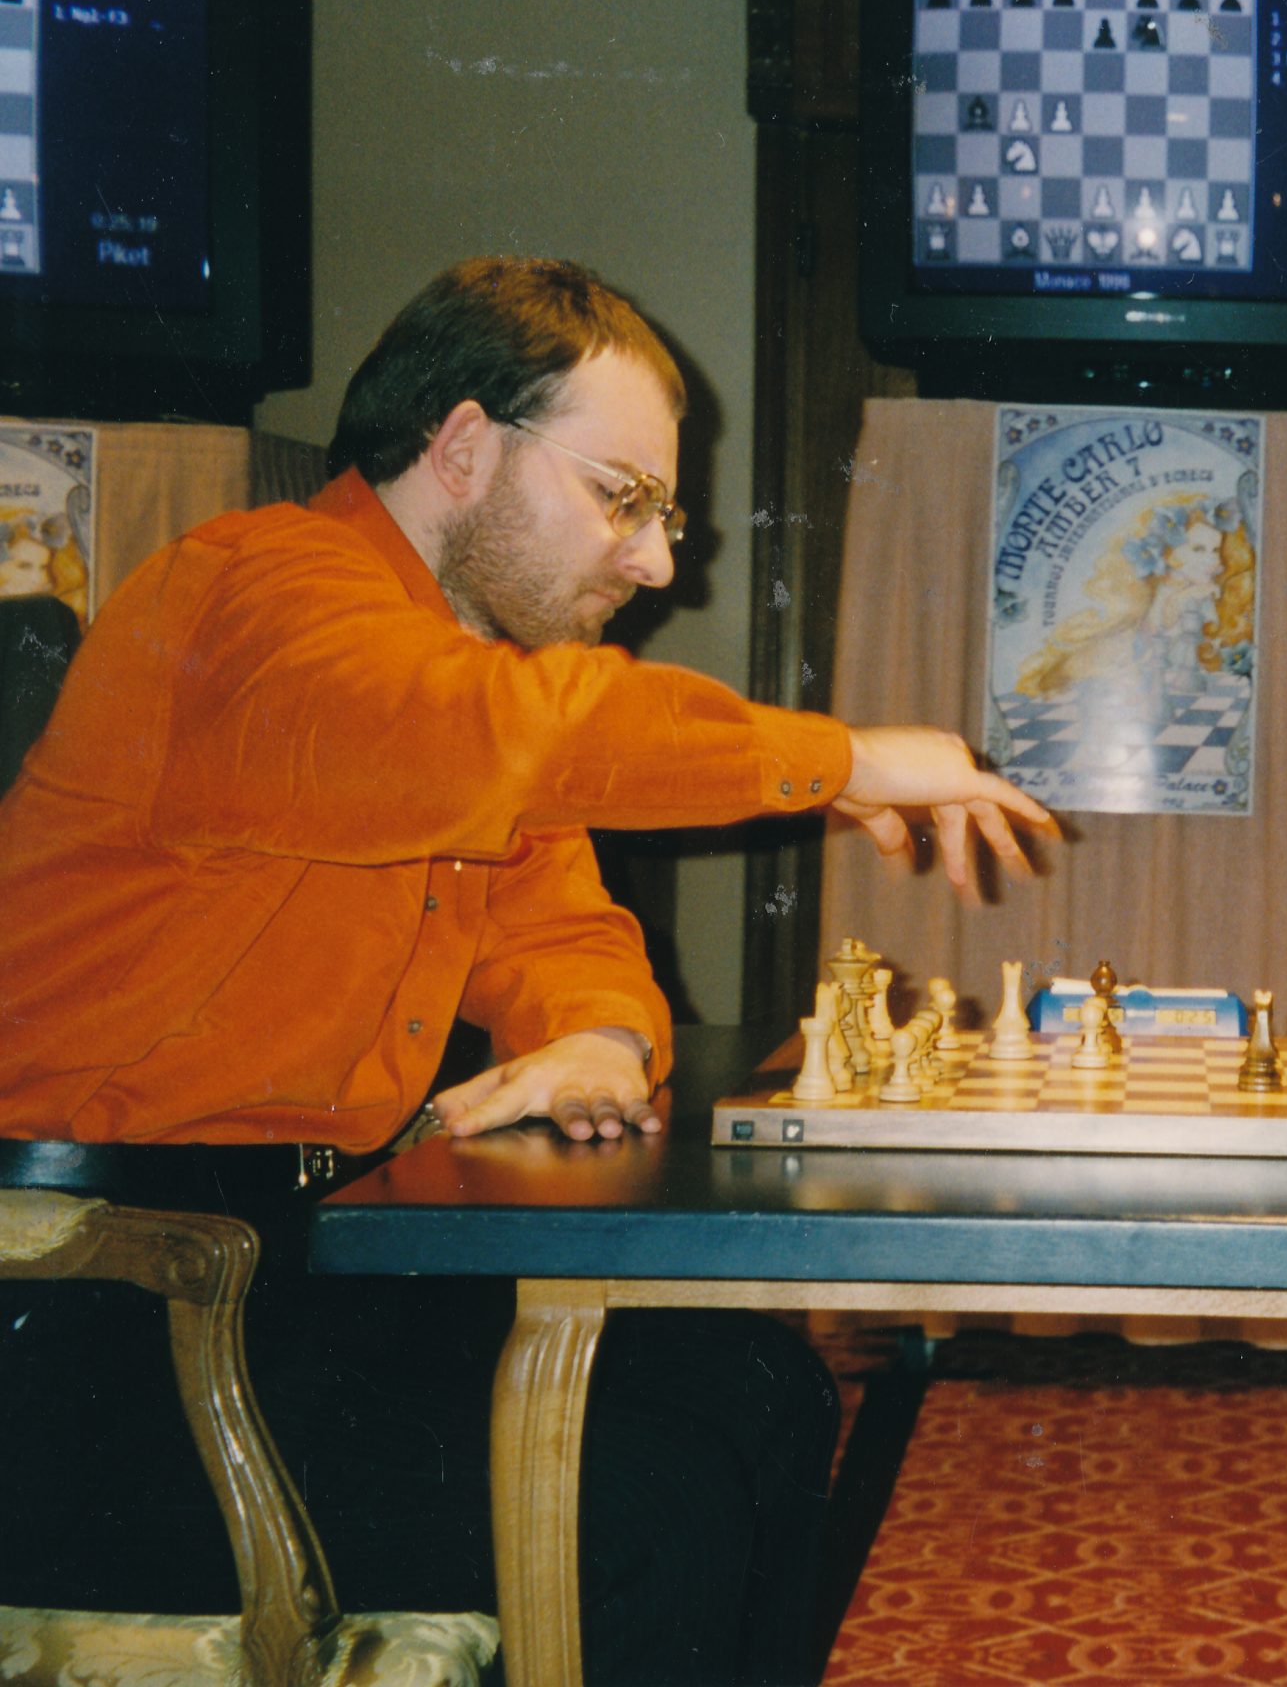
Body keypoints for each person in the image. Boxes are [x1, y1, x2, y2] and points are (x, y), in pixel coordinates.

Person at [0, 257, 1057, 1685]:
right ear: (462, 444)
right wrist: (844, 757)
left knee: (754, 1393)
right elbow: (515, 738)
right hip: (92, 1337)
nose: (657, 563)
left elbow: (557, 917)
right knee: (639, 1507)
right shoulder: (257, 597)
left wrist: (603, 1037)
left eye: (661, 515)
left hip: (295, 1280)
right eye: (625, 499)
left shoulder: (446, 664)